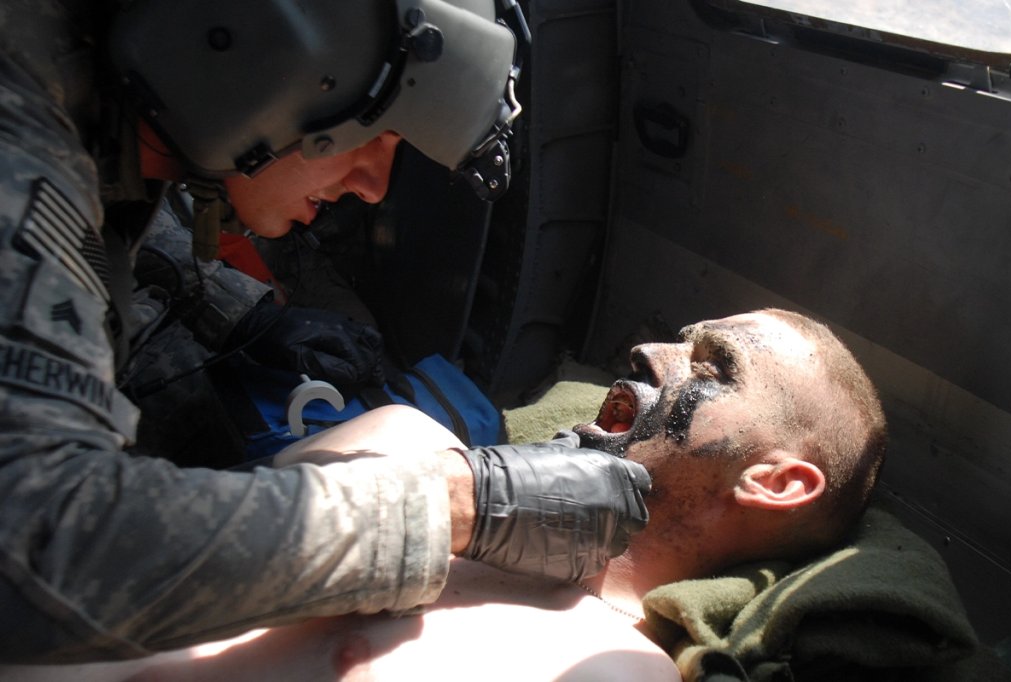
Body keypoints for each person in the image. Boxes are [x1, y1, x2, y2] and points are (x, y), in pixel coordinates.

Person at [0, 0, 653, 662]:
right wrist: (454, 508)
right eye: (377, 137)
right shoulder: (17, 146)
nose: (372, 188)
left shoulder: (83, 86)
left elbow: (100, 225)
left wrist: (235, 312)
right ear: (257, 53)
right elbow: (33, 546)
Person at [0, 308, 885, 681]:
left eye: (713, 367)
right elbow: (98, 538)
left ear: (775, 481)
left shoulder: (605, 670)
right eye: (678, 338)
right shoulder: (406, 442)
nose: (652, 355)